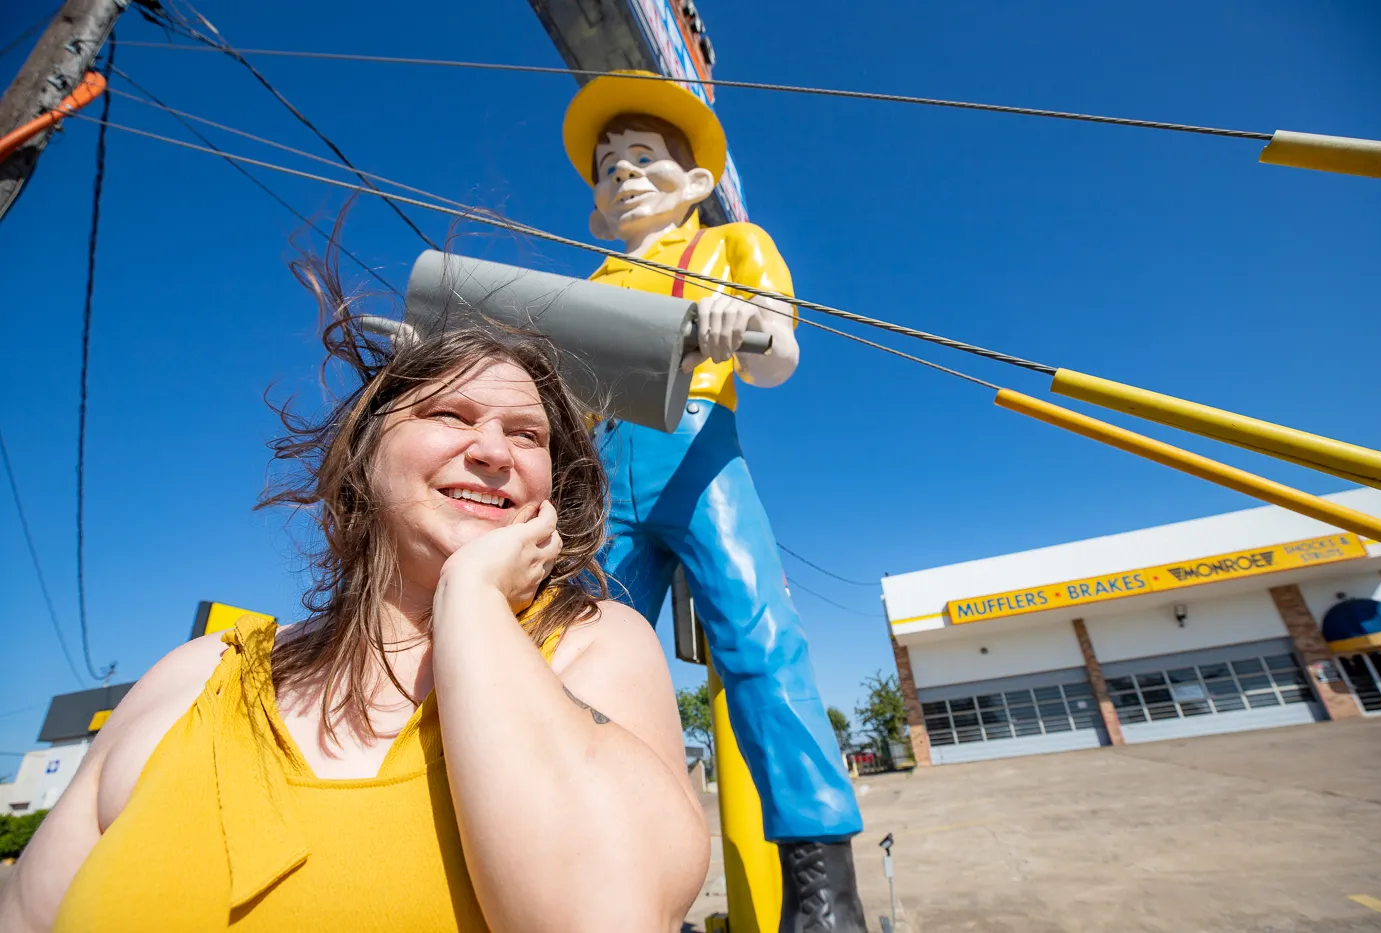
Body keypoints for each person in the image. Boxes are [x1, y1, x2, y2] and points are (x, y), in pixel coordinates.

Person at [0, 245, 710, 932]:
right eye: (450, 415)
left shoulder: (592, 647)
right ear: (367, 452)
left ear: (550, 491)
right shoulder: (193, 676)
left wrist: (470, 598)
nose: (493, 451)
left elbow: (601, 914)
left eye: (527, 435)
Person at [562, 71, 868, 931]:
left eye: (644, 158)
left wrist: (747, 328)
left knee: (758, 637)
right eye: (608, 166)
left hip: (696, 448)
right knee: (576, 663)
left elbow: (779, 360)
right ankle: (597, 869)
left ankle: (822, 884)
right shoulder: (588, 280)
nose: (623, 174)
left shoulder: (733, 247)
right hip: (598, 469)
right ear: (596, 208)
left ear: (696, 183)